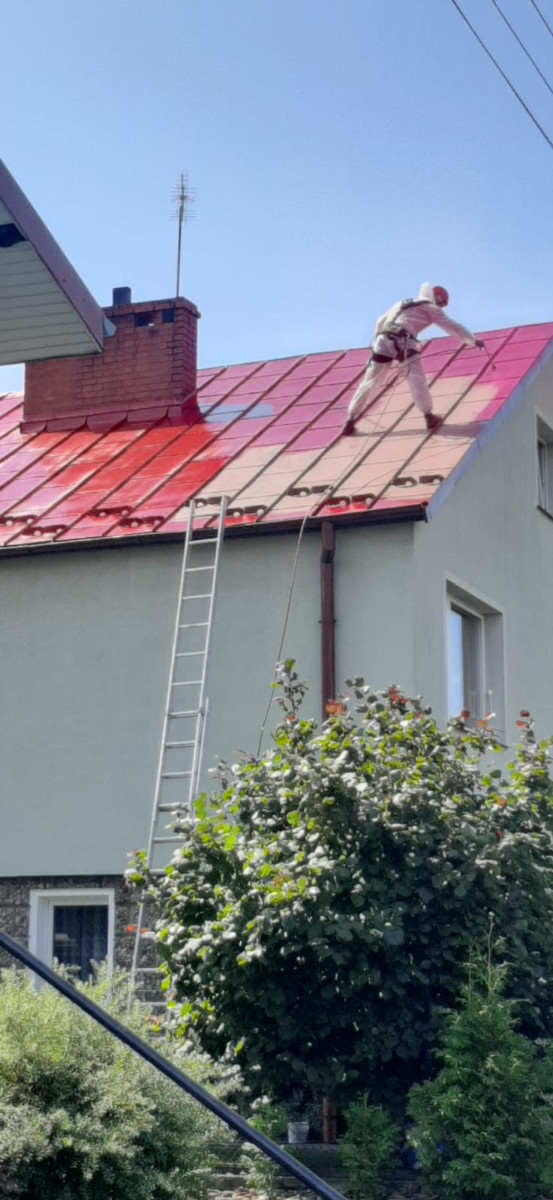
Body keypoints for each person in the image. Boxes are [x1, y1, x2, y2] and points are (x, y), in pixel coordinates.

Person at [341, 283, 485, 436]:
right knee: (416, 378)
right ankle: (429, 416)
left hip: (382, 339)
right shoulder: (430, 307)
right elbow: (452, 326)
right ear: (437, 299)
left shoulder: (402, 303)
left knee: (369, 381)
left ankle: (350, 419)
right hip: (403, 340)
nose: (441, 308)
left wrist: (376, 343)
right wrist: (473, 340)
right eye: (442, 304)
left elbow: (380, 321)